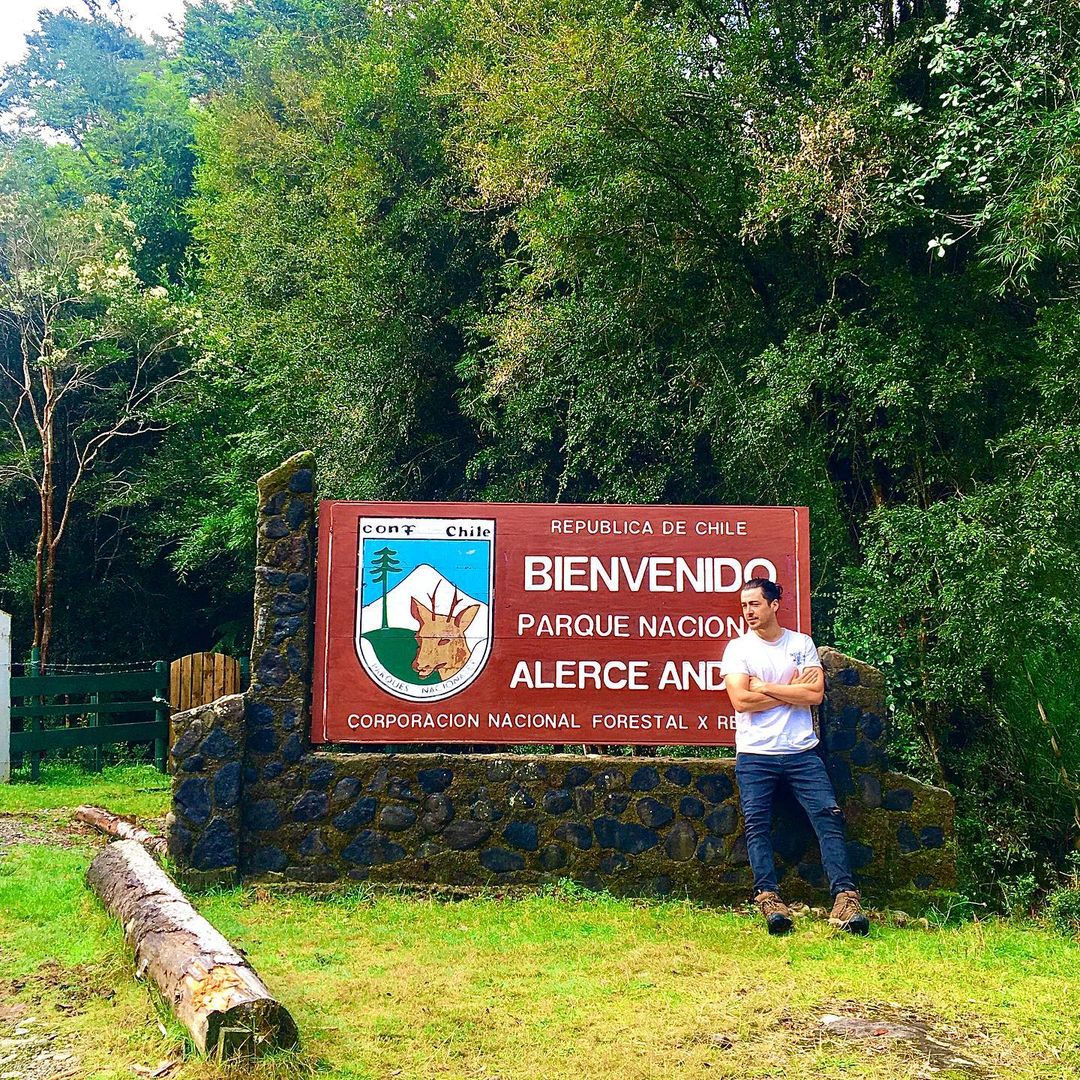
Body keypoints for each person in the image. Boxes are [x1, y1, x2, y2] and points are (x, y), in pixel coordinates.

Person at [720, 577, 869, 936]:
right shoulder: (738, 650)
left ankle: (845, 900)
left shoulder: (800, 643)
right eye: (743, 606)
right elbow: (741, 701)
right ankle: (769, 899)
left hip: (802, 750)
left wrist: (767, 686)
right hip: (756, 753)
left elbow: (815, 694)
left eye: (754, 604)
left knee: (828, 817)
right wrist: (793, 690)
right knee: (757, 825)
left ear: (773, 605)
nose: (748, 612)